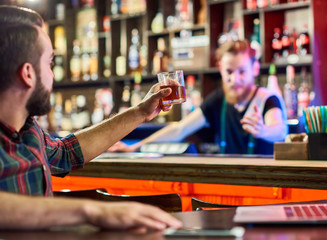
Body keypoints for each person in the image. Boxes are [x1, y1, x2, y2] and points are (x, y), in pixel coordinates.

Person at [0, 6, 182, 231]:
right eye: (49, 63)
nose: (52, 75)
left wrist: (141, 112)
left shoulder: (29, 130)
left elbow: (67, 153)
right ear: (28, 74)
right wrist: (92, 211)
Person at [109, 40, 288, 154]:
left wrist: (263, 130)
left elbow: (279, 130)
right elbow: (179, 130)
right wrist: (134, 147)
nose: (234, 79)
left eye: (242, 71)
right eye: (229, 72)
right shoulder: (219, 99)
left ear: (254, 69)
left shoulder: (267, 98)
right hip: (232, 179)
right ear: (220, 68)